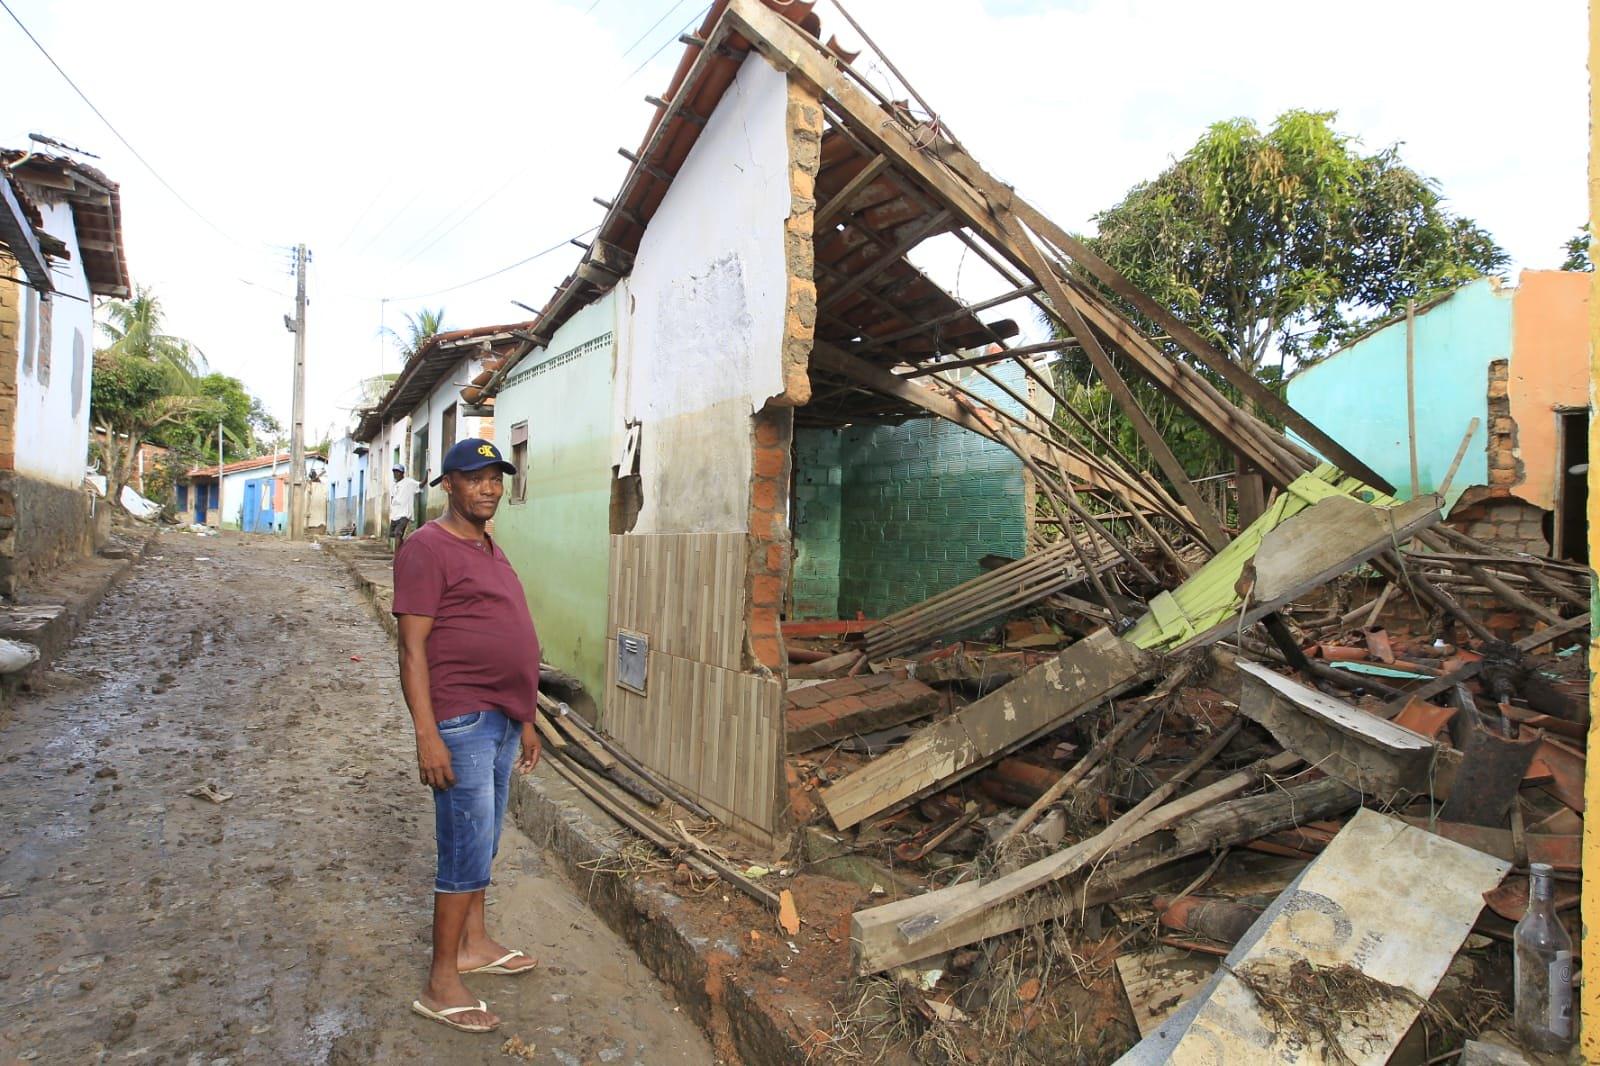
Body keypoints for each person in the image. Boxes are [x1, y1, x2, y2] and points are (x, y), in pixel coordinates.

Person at [393, 438, 542, 1034]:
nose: (489, 488)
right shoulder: (427, 548)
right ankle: (440, 981)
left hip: (502, 718)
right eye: (475, 478)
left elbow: (509, 631)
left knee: (483, 844)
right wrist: (428, 736)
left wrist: (526, 717)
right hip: (460, 719)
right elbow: (411, 648)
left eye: (496, 478)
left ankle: (474, 945)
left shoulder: (487, 546)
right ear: (447, 484)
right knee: (463, 850)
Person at [389, 464, 421, 549]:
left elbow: (420, 485)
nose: (395, 474)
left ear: (402, 473)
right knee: (394, 535)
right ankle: (403, 552)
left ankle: (396, 558)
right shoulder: (394, 485)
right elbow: (392, 498)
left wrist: (427, 474)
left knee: (398, 533)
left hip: (405, 514)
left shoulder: (409, 482)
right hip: (395, 514)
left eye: (397, 472)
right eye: (394, 472)